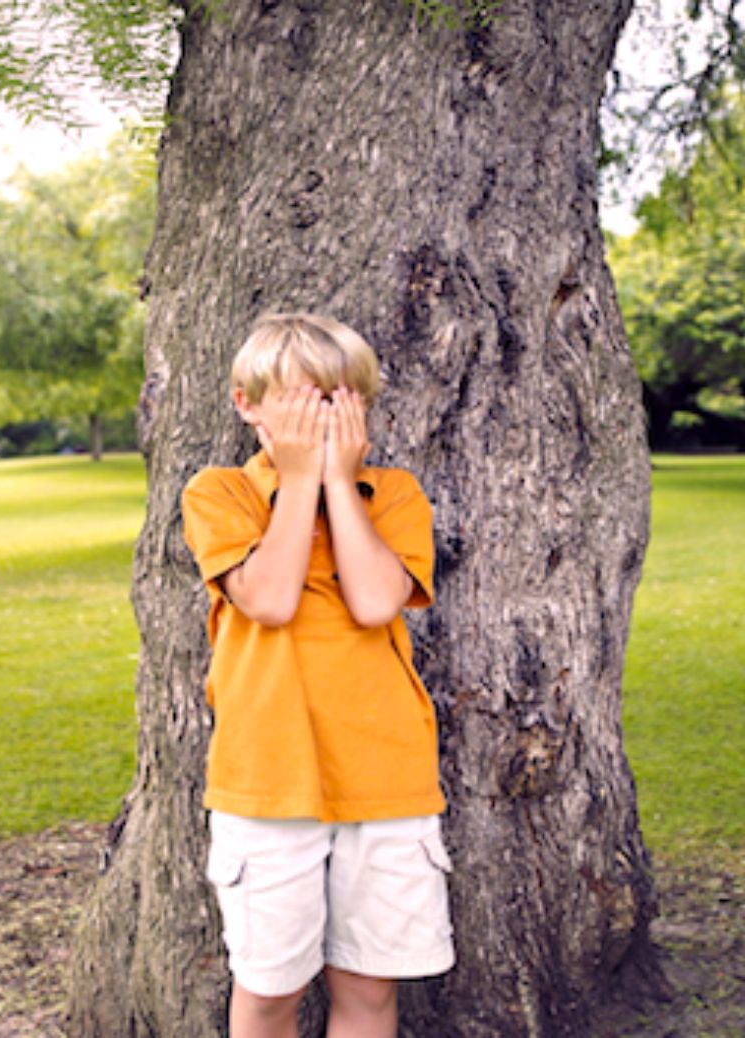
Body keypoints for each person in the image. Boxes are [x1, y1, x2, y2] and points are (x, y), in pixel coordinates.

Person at [180, 314, 453, 1038]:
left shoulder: (392, 494)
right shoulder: (220, 494)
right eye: (303, 402)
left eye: (338, 401)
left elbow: (374, 603)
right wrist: (298, 481)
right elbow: (267, 599)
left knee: (368, 992)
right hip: (268, 780)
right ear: (248, 404)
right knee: (269, 991)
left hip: (385, 777)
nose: (321, 418)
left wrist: (337, 481)